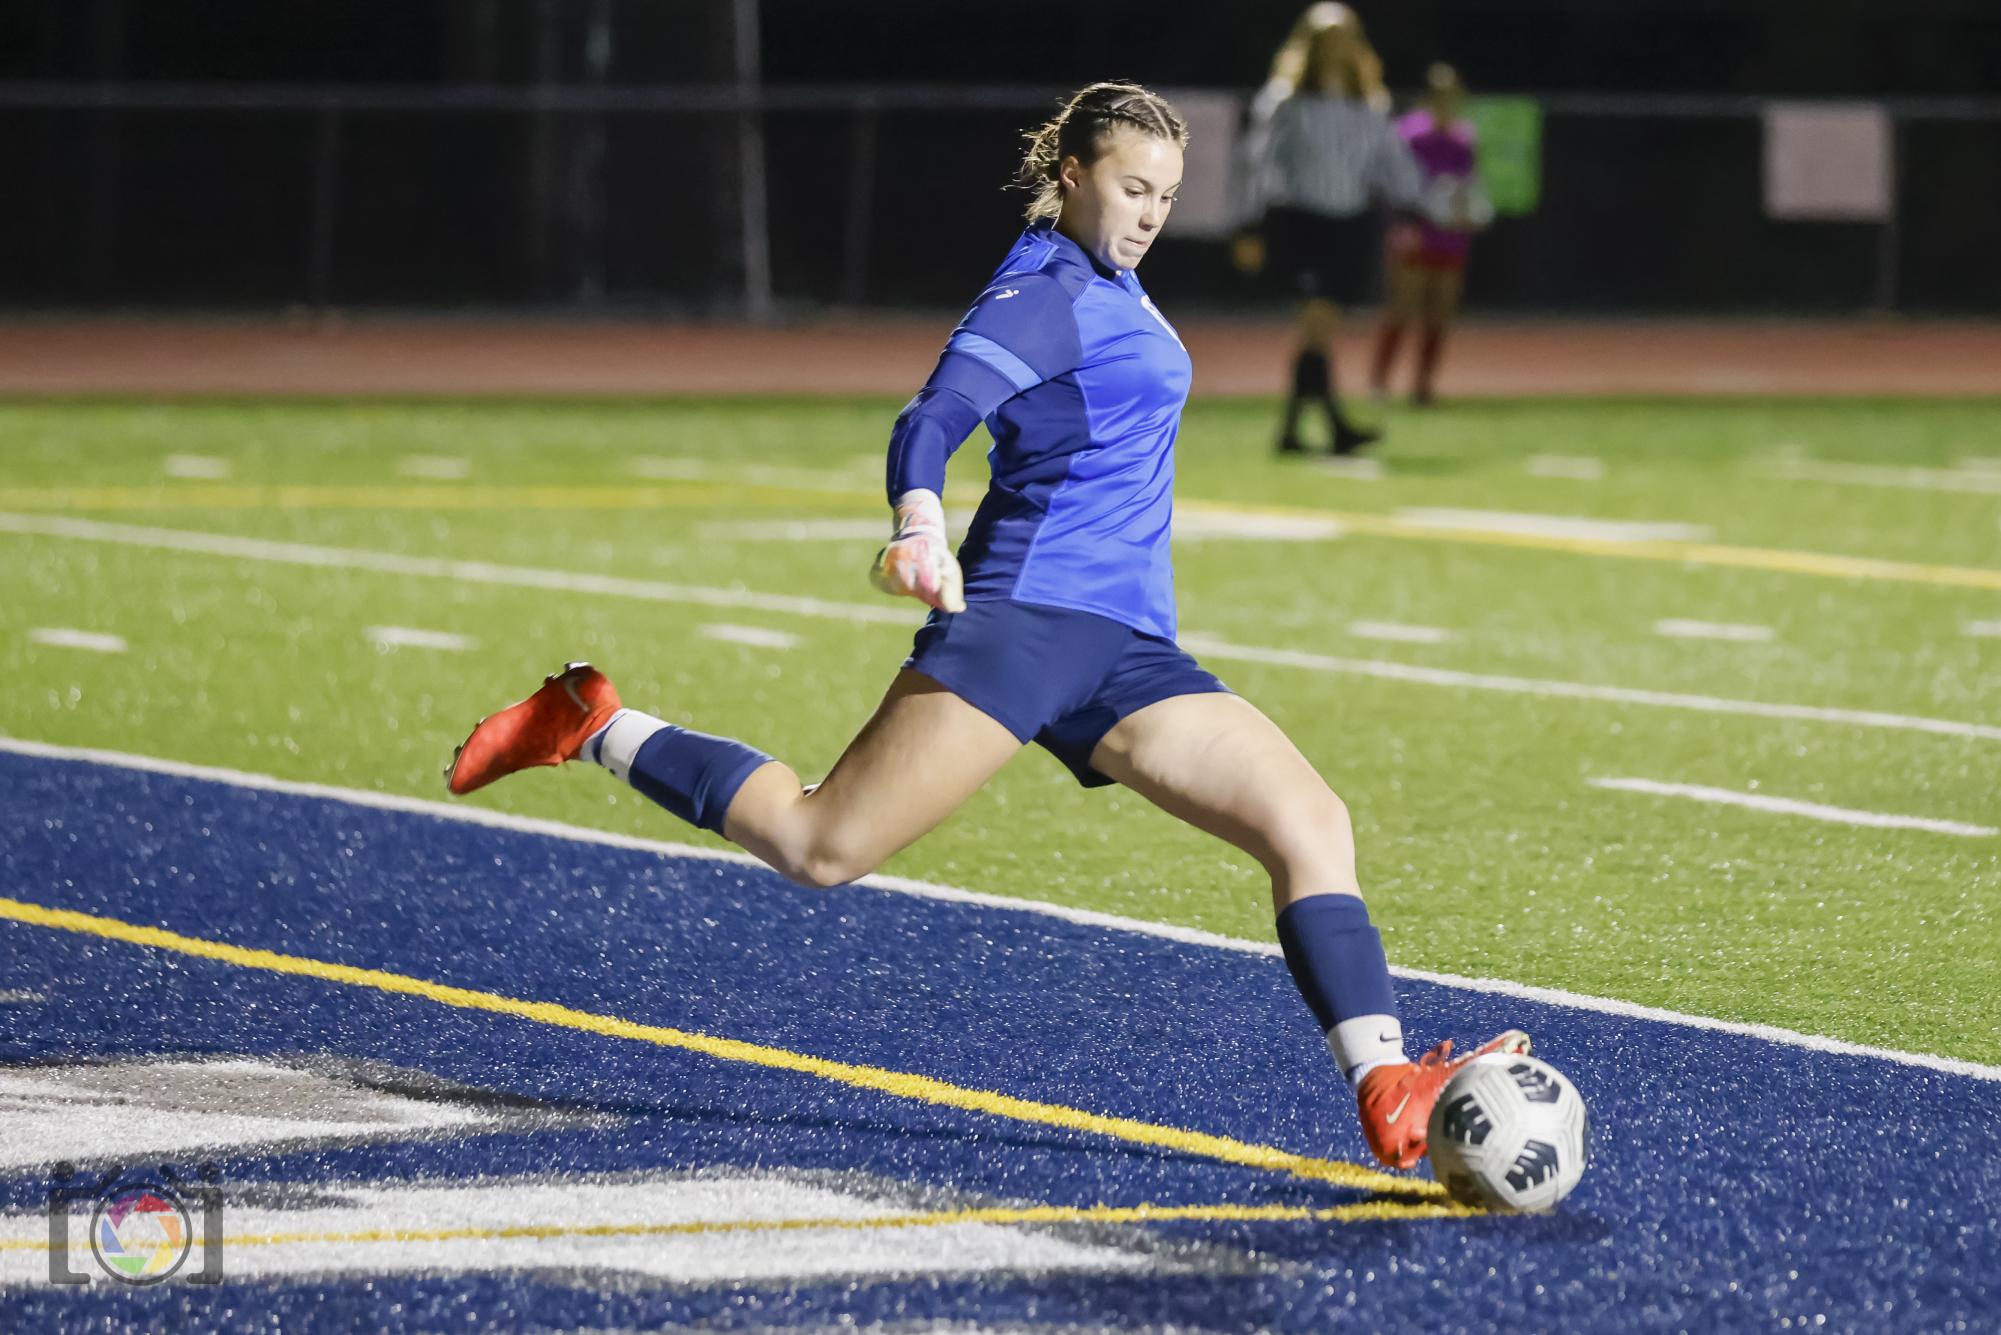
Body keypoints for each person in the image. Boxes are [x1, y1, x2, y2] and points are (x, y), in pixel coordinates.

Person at [443, 81, 1526, 1172]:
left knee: (1309, 823)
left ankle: (1388, 1087)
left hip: (1127, 649)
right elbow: (932, 419)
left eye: (1168, 194)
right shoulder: (1047, 288)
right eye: (1133, 187)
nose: (1152, 213)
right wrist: (919, 523)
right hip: (1023, 625)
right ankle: (589, 722)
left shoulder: (1116, 278)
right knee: (822, 847)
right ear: (1073, 177)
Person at [1234, 5, 1426, 456]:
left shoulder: (1369, 102)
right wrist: (1248, 224)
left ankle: (1296, 430)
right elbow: (1256, 165)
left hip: (1351, 225)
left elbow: (1391, 164)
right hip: (1302, 222)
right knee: (1317, 323)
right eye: (1327, 38)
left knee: (1320, 330)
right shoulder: (1284, 100)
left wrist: (1416, 208)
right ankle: (1331, 426)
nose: (1337, 47)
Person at [1370, 64, 1493, 406]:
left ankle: (1423, 386)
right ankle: (1379, 384)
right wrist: (1402, 222)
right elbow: (1392, 183)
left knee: (1440, 312)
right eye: (1440, 93)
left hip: (1450, 235)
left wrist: (1473, 212)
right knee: (1402, 307)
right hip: (1414, 232)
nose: (1446, 100)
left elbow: (1472, 183)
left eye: (1452, 93)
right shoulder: (1408, 133)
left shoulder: (1465, 136)